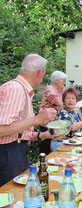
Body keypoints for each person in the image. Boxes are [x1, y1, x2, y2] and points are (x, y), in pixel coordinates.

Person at [0, 53, 57, 187]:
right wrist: (38, 119)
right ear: (39, 72)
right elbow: (2, 129)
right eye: (44, 75)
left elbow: (19, 131)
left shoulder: (23, 90)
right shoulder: (15, 89)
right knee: (12, 196)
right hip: (7, 153)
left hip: (15, 151)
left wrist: (43, 135)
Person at [39, 70, 66, 154]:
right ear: (57, 81)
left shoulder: (58, 90)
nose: (64, 83)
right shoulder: (49, 90)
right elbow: (59, 102)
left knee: (52, 141)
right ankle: (43, 161)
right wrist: (63, 96)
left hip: (53, 120)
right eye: (63, 81)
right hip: (46, 120)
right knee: (46, 144)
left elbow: (63, 100)